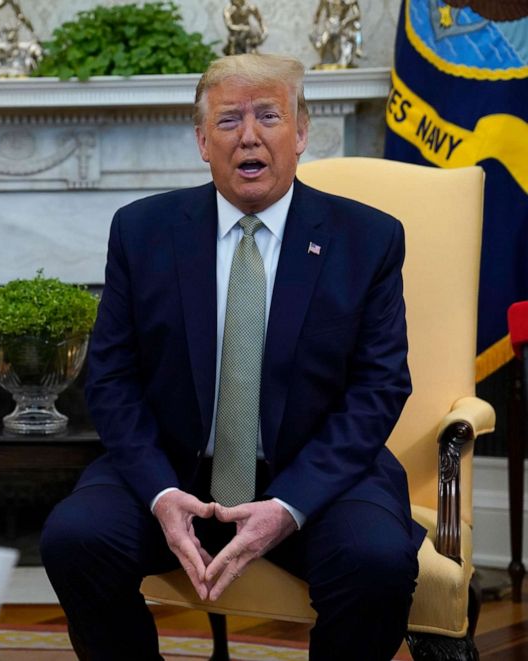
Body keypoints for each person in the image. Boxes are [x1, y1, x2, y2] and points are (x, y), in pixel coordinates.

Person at [40, 54, 422, 660]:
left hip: (314, 475)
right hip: (176, 472)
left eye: (268, 115)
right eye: (228, 120)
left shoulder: (367, 239)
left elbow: (378, 388)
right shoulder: (142, 231)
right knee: (75, 538)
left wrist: (288, 505)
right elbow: (112, 380)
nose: (249, 135)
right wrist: (162, 496)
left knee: (375, 560)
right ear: (200, 140)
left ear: (301, 132)